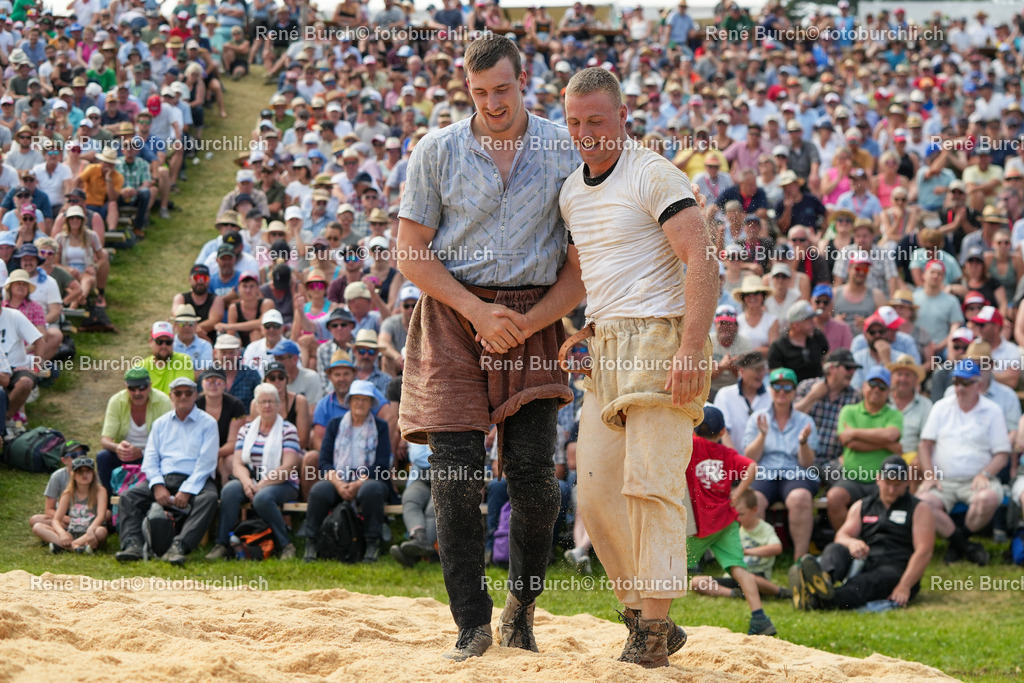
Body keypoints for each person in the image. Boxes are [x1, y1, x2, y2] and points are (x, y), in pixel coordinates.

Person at [396, 36, 581, 661]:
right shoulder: (436, 150)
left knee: (532, 480)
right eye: (480, 93)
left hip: (538, 311)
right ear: (465, 87)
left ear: (523, 78)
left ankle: (522, 609)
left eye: (502, 89)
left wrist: (524, 326)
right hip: (453, 313)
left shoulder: (564, 147)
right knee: (455, 479)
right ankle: (470, 622)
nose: (493, 102)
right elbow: (410, 251)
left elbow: (580, 268)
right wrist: (477, 311)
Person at [560, 67, 719, 668]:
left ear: (623, 116)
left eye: (595, 120)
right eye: (574, 122)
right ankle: (640, 613)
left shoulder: (653, 171)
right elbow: (592, 272)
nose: (584, 132)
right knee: (595, 495)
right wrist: (583, 328)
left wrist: (690, 349)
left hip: (662, 340)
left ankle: (653, 628)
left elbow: (701, 259)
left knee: (651, 484)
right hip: (606, 348)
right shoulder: (571, 190)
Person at [792, 456, 935, 610]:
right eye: (888, 484)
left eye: (897, 485)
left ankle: (819, 600)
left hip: (896, 568)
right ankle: (824, 579)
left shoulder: (919, 509)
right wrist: (852, 542)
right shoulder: (863, 505)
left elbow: (924, 551)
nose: (892, 490)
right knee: (836, 548)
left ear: (906, 482)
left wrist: (904, 586)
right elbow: (841, 536)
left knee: (863, 584)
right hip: (867, 560)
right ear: (878, 479)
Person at [685, 406, 777, 636]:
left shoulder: (691, 445)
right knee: (738, 568)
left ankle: (658, 621)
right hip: (725, 521)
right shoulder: (727, 455)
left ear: (695, 429)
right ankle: (760, 618)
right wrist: (737, 494)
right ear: (723, 431)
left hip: (701, 524)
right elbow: (752, 467)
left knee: (672, 569)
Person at [115, 377, 219, 565]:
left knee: (209, 498)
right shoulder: (160, 423)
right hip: (164, 477)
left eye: (188, 392)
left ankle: (179, 546)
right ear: (171, 396)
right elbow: (151, 458)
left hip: (195, 478)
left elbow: (206, 463)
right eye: (178, 393)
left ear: (195, 395)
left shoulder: (208, 423)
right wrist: (157, 485)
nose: (183, 396)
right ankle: (133, 544)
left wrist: (187, 490)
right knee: (129, 497)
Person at [918, 359, 1009, 566]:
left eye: (966, 383)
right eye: (956, 382)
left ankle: (958, 542)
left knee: (988, 498)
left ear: (978, 384)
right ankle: (964, 545)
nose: (960, 387)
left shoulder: (992, 410)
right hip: (943, 480)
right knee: (923, 503)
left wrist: (985, 474)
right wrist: (930, 475)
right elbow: (925, 445)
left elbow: (1002, 453)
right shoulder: (941, 407)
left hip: (977, 479)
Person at [207, 383, 302, 560]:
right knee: (229, 491)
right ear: (256, 406)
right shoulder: (246, 430)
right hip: (251, 479)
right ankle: (222, 544)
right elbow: (238, 463)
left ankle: (286, 545)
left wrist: (262, 484)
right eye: (263, 402)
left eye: (271, 402)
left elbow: (288, 467)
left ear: (278, 404)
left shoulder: (288, 430)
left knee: (263, 498)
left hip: (283, 482)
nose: (267, 406)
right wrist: (246, 482)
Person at [301, 380, 391, 562]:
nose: (360, 403)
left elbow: (382, 464)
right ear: (349, 402)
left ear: (371, 404)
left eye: (365, 400)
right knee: (319, 491)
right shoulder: (335, 425)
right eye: (356, 399)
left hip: (369, 479)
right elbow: (324, 462)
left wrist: (358, 483)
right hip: (339, 479)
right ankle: (311, 542)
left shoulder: (380, 427)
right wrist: (339, 483)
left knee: (371, 490)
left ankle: (372, 543)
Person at [743, 367, 819, 560]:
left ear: (794, 392)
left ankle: (800, 559)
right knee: (755, 500)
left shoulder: (805, 420)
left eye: (787, 388)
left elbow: (808, 462)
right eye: (777, 387)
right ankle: (758, 557)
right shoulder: (758, 418)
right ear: (771, 390)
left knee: (800, 497)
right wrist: (762, 435)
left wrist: (802, 443)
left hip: (796, 472)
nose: (782, 392)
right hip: (765, 472)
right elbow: (750, 457)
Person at [827, 367, 904, 530]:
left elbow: (892, 434)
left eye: (882, 386)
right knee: (834, 497)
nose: (876, 389)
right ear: (864, 386)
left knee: (895, 499)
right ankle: (848, 542)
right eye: (872, 384)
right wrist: (887, 444)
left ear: (888, 391)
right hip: (851, 478)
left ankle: (878, 542)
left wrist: (854, 432)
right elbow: (849, 443)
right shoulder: (849, 411)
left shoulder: (894, 414)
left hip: (882, 481)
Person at [690, 487, 789, 602]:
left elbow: (777, 548)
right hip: (734, 577)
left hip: (757, 575)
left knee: (749, 578)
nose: (736, 517)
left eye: (741, 513)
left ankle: (781, 592)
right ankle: (734, 594)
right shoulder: (731, 529)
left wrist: (747, 551)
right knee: (696, 582)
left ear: (754, 510)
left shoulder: (765, 528)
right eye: (733, 512)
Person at [97, 367, 173, 494]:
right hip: (126, 454)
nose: (137, 393)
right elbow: (105, 440)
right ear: (126, 387)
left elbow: (168, 442)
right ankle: (108, 502)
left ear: (150, 386)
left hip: (154, 454)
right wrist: (118, 448)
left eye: (142, 388)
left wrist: (142, 452)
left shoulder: (163, 401)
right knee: (103, 457)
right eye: (132, 388)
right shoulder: (116, 401)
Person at [33, 454, 109, 554]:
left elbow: (101, 516)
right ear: (73, 475)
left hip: (90, 532)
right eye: (80, 472)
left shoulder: (100, 491)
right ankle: (78, 548)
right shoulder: (68, 493)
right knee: (37, 526)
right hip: (71, 531)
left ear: (93, 474)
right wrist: (62, 533)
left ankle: (63, 547)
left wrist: (90, 530)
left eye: (88, 471)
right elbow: (56, 519)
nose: (84, 475)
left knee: (101, 532)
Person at [196, 368, 247, 486]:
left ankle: (226, 495)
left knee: (229, 461)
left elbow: (233, 442)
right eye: (209, 381)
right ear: (202, 384)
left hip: (224, 452)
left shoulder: (235, 405)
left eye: (218, 381)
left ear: (225, 384)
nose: (214, 385)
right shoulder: (195, 405)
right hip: (198, 451)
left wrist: (213, 454)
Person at [713, 351, 770, 449]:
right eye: (756, 369)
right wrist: (737, 461)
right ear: (742, 371)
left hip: (767, 461)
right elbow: (723, 432)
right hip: (734, 461)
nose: (761, 374)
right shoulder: (725, 395)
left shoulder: (772, 395)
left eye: (763, 369)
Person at [28, 440, 85, 532]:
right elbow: (49, 509)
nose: (79, 457)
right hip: (64, 514)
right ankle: (70, 530)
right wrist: (68, 519)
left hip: (86, 514)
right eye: (73, 455)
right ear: (64, 460)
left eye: (82, 454)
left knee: (107, 514)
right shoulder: (57, 476)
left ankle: (62, 532)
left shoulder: (92, 475)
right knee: (35, 519)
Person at [767, 300, 829, 383]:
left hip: (819, 388)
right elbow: (776, 378)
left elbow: (827, 359)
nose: (813, 323)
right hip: (792, 392)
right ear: (796, 325)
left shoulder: (817, 336)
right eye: (809, 320)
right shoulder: (778, 347)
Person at [143, 321, 195, 393]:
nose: (164, 346)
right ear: (150, 342)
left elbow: (182, 394)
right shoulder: (141, 367)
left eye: (168, 342)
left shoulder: (183, 360)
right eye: (159, 342)